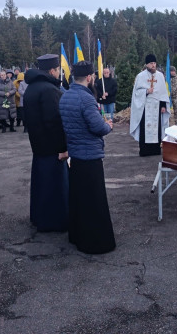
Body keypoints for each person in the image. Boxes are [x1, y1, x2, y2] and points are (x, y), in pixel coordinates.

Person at [59, 61, 115, 254]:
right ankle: (96, 242)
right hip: (90, 155)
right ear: (90, 77)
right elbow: (97, 127)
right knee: (94, 200)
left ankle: (77, 236)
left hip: (75, 154)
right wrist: (108, 126)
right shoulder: (86, 98)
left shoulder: (65, 96)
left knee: (79, 198)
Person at [24, 54, 69, 232]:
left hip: (38, 145)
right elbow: (54, 122)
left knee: (41, 185)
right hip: (52, 148)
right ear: (52, 71)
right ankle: (54, 222)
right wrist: (63, 148)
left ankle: (39, 217)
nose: (59, 73)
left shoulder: (32, 88)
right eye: (58, 70)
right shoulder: (49, 90)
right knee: (54, 186)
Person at [130, 54, 171, 156]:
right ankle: (144, 151)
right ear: (147, 64)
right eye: (151, 63)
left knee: (157, 128)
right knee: (145, 128)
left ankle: (155, 150)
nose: (153, 65)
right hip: (145, 106)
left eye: (154, 63)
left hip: (157, 107)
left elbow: (163, 92)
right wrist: (146, 91)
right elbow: (136, 93)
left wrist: (163, 106)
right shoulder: (141, 76)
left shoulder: (160, 76)